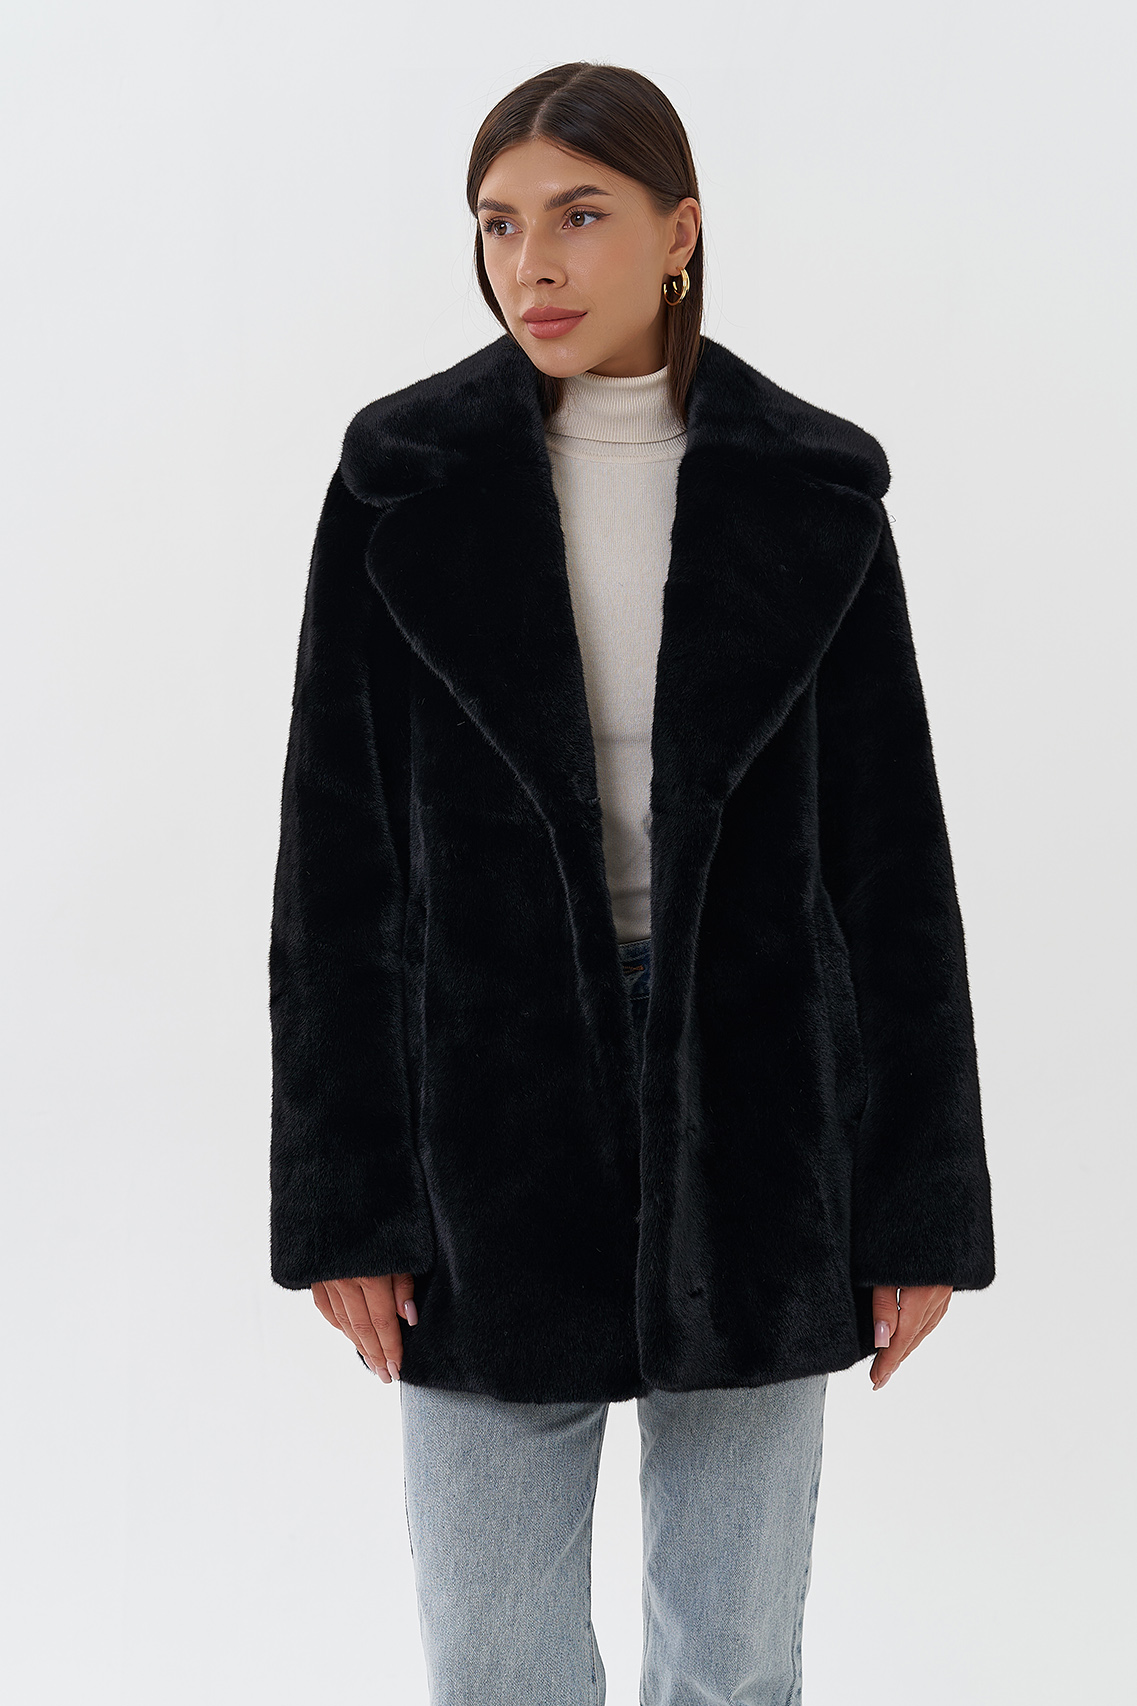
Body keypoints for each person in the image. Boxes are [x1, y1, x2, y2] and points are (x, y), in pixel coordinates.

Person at [268, 60, 996, 1706]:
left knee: (730, 1660)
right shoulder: (399, 478)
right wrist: (343, 1204)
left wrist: (917, 1205)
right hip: (484, 1096)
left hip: (755, 1107)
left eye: (579, 216)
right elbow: (335, 865)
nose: (530, 263)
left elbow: (891, 863)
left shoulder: (813, 492)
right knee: (491, 1657)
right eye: (497, 223)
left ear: (678, 233)